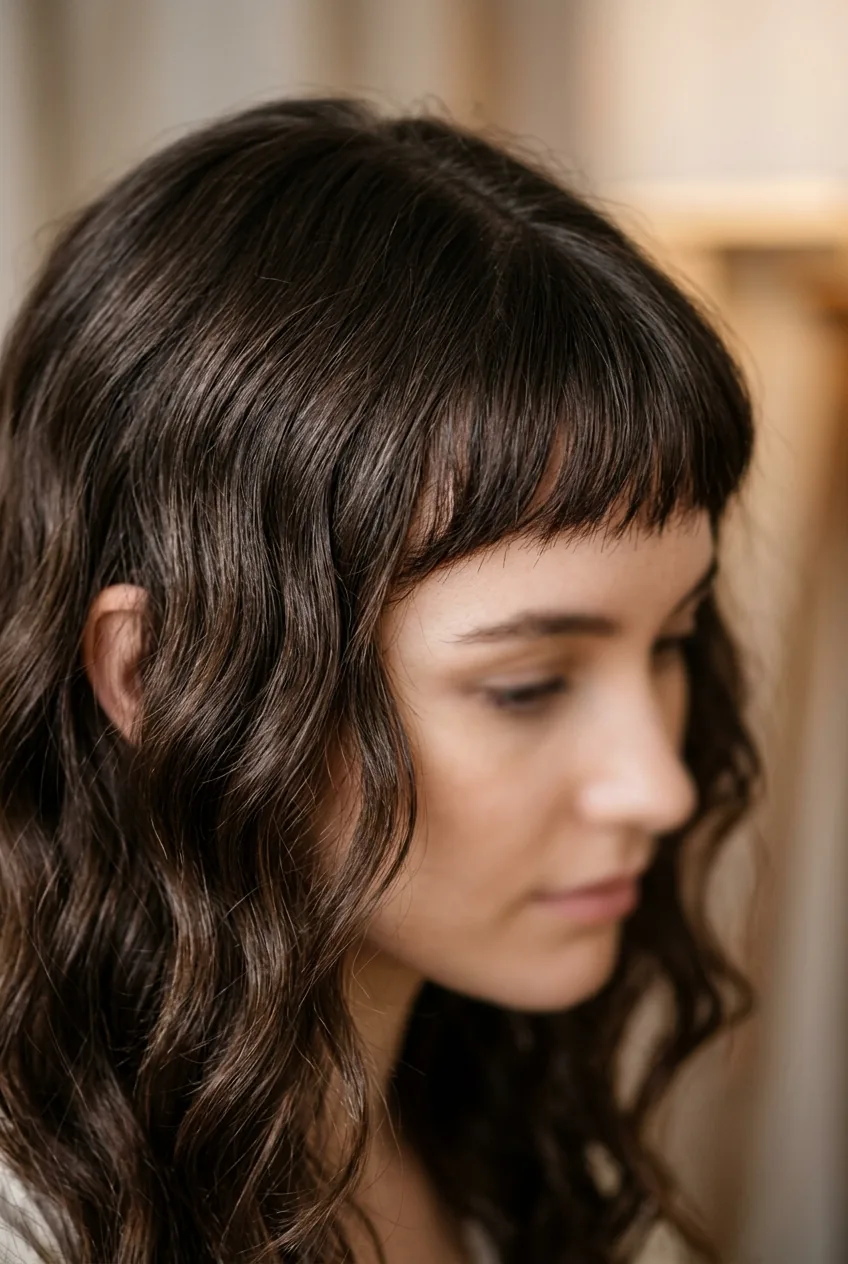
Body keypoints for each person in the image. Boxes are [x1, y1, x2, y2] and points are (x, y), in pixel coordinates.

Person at [0, 96, 762, 1264]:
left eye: (668, 643)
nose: (656, 787)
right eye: (527, 685)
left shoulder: (509, 1139)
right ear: (156, 677)